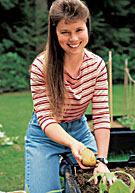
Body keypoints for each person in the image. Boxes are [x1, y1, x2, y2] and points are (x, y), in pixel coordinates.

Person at [25, 0, 112, 192]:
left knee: (100, 185)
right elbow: (46, 119)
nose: (73, 39)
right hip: (44, 136)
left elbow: (101, 116)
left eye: (79, 30)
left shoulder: (97, 66)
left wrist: (102, 160)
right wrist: (73, 144)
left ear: (87, 27)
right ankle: (53, 168)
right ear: (54, 33)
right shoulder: (41, 67)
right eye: (65, 32)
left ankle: (65, 167)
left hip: (79, 129)